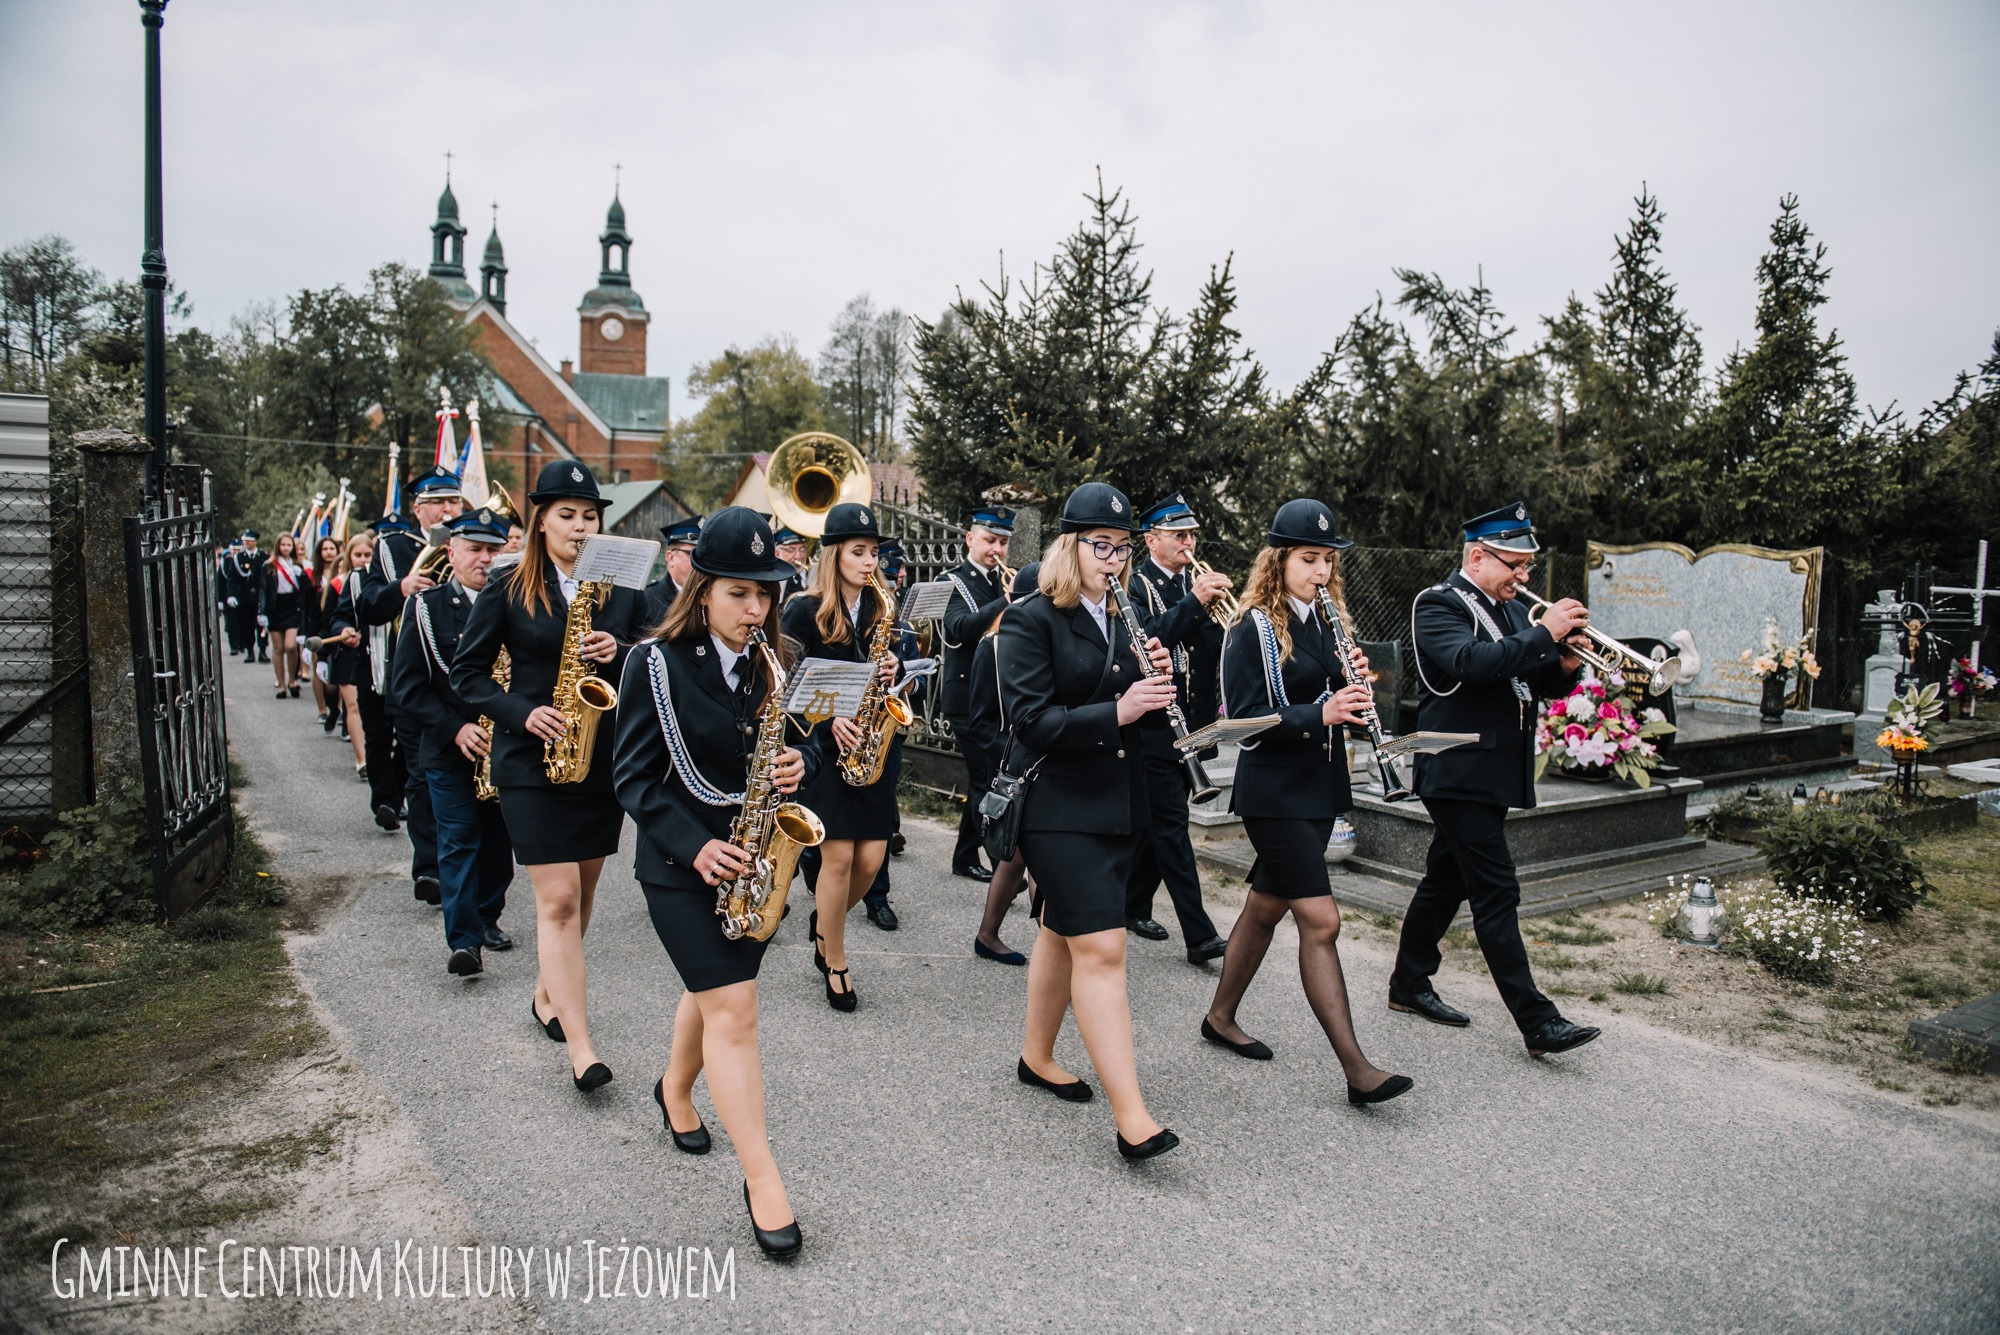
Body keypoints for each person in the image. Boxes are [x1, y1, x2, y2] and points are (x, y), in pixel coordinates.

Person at [611, 506, 817, 1262]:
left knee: (712, 992)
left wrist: (806, 766)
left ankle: (673, 1087)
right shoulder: (653, 663)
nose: (755, 609)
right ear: (702, 590)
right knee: (734, 1006)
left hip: (756, 861)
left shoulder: (780, 657)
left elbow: (807, 746)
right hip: (678, 865)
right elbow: (632, 778)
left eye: (766, 592)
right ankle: (763, 1179)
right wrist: (694, 847)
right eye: (739, 593)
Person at [1201, 499, 1413, 1104]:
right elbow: (1241, 719)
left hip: (1318, 787)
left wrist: (1352, 691)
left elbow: (1326, 696)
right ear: (1279, 560)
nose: (1320, 571)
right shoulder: (1252, 628)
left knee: (1266, 906)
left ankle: (1219, 1017)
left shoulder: (1326, 621)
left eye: (1326, 560)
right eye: (1308, 559)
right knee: (1321, 919)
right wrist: (1319, 710)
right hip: (1275, 793)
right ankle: (1357, 1070)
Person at [452, 459, 650, 1092]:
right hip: (528, 763)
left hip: (598, 763)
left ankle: (546, 994)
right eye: (567, 515)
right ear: (540, 521)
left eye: (590, 516)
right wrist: (520, 711)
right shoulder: (508, 588)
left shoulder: (621, 590)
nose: (580, 526)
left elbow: (653, 667)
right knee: (558, 900)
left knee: (583, 898)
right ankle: (582, 1048)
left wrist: (619, 653)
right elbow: (469, 675)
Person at [997, 482, 1181, 1160]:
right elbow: (1030, 720)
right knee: (1102, 949)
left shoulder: (1127, 615)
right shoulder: (1032, 618)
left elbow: (1140, 708)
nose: (1114, 559)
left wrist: (1160, 684)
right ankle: (1133, 1116)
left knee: (1058, 932)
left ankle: (1036, 1055)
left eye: (1122, 547)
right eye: (1100, 546)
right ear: (1069, 546)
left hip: (1117, 801)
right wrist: (1122, 708)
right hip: (1057, 808)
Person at [1388, 501, 1601, 1058]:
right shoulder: (1437, 604)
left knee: (1446, 880)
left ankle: (1408, 983)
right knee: (1497, 889)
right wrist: (1544, 633)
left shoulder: (1509, 610)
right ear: (1478, 557)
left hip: (1491, 769)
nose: (1524, 578)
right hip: (1456, 766)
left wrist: (1566, 662)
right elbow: (1469, 663)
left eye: (1528, 567)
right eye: (1516, 565)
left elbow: (1529, 682)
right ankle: (1537, 1020)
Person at [779, 502, 903, 1013]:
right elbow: (783, 685)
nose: (869, 561)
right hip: (823, 746)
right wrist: (828, 720)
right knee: (838, 858)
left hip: (872, 745)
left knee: (870, 862)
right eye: (859, 551)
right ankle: (835, 960)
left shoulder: (879, 608)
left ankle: (823, 924)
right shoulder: (800, 610)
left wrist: (891, 666)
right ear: (833, 554)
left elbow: (881, 670)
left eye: (874, 552)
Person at [390, 507, 515, 977]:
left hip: (504, 746)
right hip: (448, 748)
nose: (484, 559)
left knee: (499, 842)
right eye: (475, 549)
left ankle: (487, 917)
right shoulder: (426, 608)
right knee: (459, 840)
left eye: (492, 549)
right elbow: (406, 687)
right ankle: (464, 940)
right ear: (452, 552)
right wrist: (455, 728)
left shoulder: (512, 601)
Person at [1121, 493, 1228, 962]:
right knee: (1171, 826)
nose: (1188, 543)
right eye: (1178, 535)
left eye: (1191, 535)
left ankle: (1132, 904)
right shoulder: (1137, 585)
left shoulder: (1195, 583)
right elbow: (1149, 640)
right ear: (1151, 540)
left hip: (1192, 722)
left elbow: (1209, 651)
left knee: (1153, 826)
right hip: (1151, 726)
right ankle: (1200, 934)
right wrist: (1196, 602)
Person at [355, 466, 464, 903]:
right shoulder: (393, 546)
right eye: (438, 502)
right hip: (416, 677)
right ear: (418, 508)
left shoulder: (476, 544)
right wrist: (403, 586)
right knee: (422, 776)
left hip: (465, 678)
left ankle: (465, 865)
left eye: (454, 501)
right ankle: (431, 868)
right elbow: (367, 604)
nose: (447, 509)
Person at [966, 563, 1040, 964]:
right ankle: (1058, 948)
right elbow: (978, 720)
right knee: (1031, 856)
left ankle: (988, 934)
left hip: (1042, 760)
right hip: (1014, 765)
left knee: (1017, 858)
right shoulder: (990, 645)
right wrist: (1009, 758)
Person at [936, 506, 1014, 882]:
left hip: (996, 696)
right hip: (964, 695)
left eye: (1002, 542)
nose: (996, 548)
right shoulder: (952, 580)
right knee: (985, 777)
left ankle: (964, 856)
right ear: (970, 539)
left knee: (981, 776)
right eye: (989, 540)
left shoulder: (1003, 579)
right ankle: (1004, 869)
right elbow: (958, 629)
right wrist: (1006, 601)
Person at [323, 533, 380, 781]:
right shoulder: (339, 582)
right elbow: (333, 618)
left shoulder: (380, 582)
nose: (363, 560)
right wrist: (343, 629)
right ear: (349, 556)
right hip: (348, 652)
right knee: (353, 706)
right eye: (358, 555)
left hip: (375, 652)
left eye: (368, 555)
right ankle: (362, 758)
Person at [258, 532, 311, 699]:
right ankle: (281, 684)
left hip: (291, 607)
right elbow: (263, 590)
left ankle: (292, 680)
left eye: (289, 545)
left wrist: (301, 576)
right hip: (275, 607)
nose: (286, 548)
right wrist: (262, 612)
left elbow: (305, 591)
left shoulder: (297, 565)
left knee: (290, 646)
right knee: (279, 648)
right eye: (283, 545)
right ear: (278, 546)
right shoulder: (269, 565)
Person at [307, 535, 344, 729]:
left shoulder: (348, 578)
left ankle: (341, 713)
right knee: (322, 674)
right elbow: (311, 612)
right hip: (322, 632)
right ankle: (324, 709)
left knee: (339, 680)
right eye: (325, 549)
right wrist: (306, 638)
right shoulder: (314, 576)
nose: (329, 552)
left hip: (341, 633)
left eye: (332, 548)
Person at [644, 514, 702, 622]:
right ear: (670, 558)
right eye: (693, 554)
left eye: (703, 555)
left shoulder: (710, 595)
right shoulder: (647, 598)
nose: (700, 561)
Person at [772, 526, 809, 604]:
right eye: (790, 550)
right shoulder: (772, 581)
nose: (798, 556)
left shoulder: (814, 578)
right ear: (777, 554)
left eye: (802, 550)